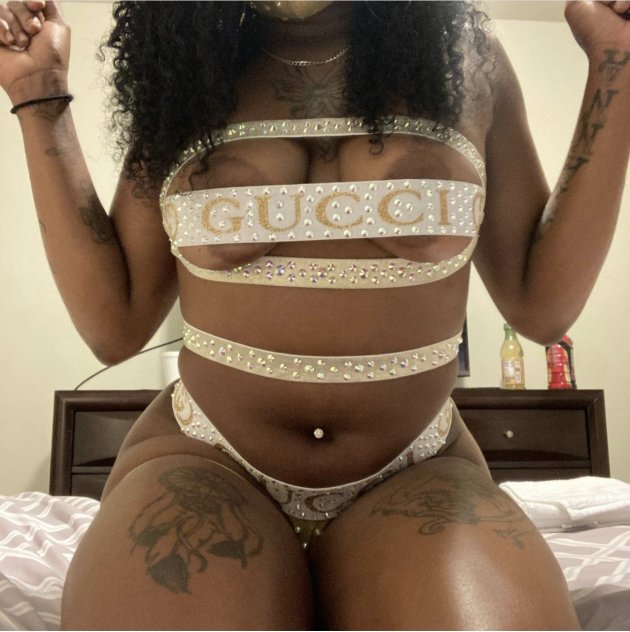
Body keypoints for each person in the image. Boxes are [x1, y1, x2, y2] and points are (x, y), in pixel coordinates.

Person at [0, 0, 628, 628]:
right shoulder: (187, 73)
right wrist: (38, 91)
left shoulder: (467, 59)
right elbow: (115, 327)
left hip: (416, 466)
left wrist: (615, 60)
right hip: (206, 456)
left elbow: (541, 308)